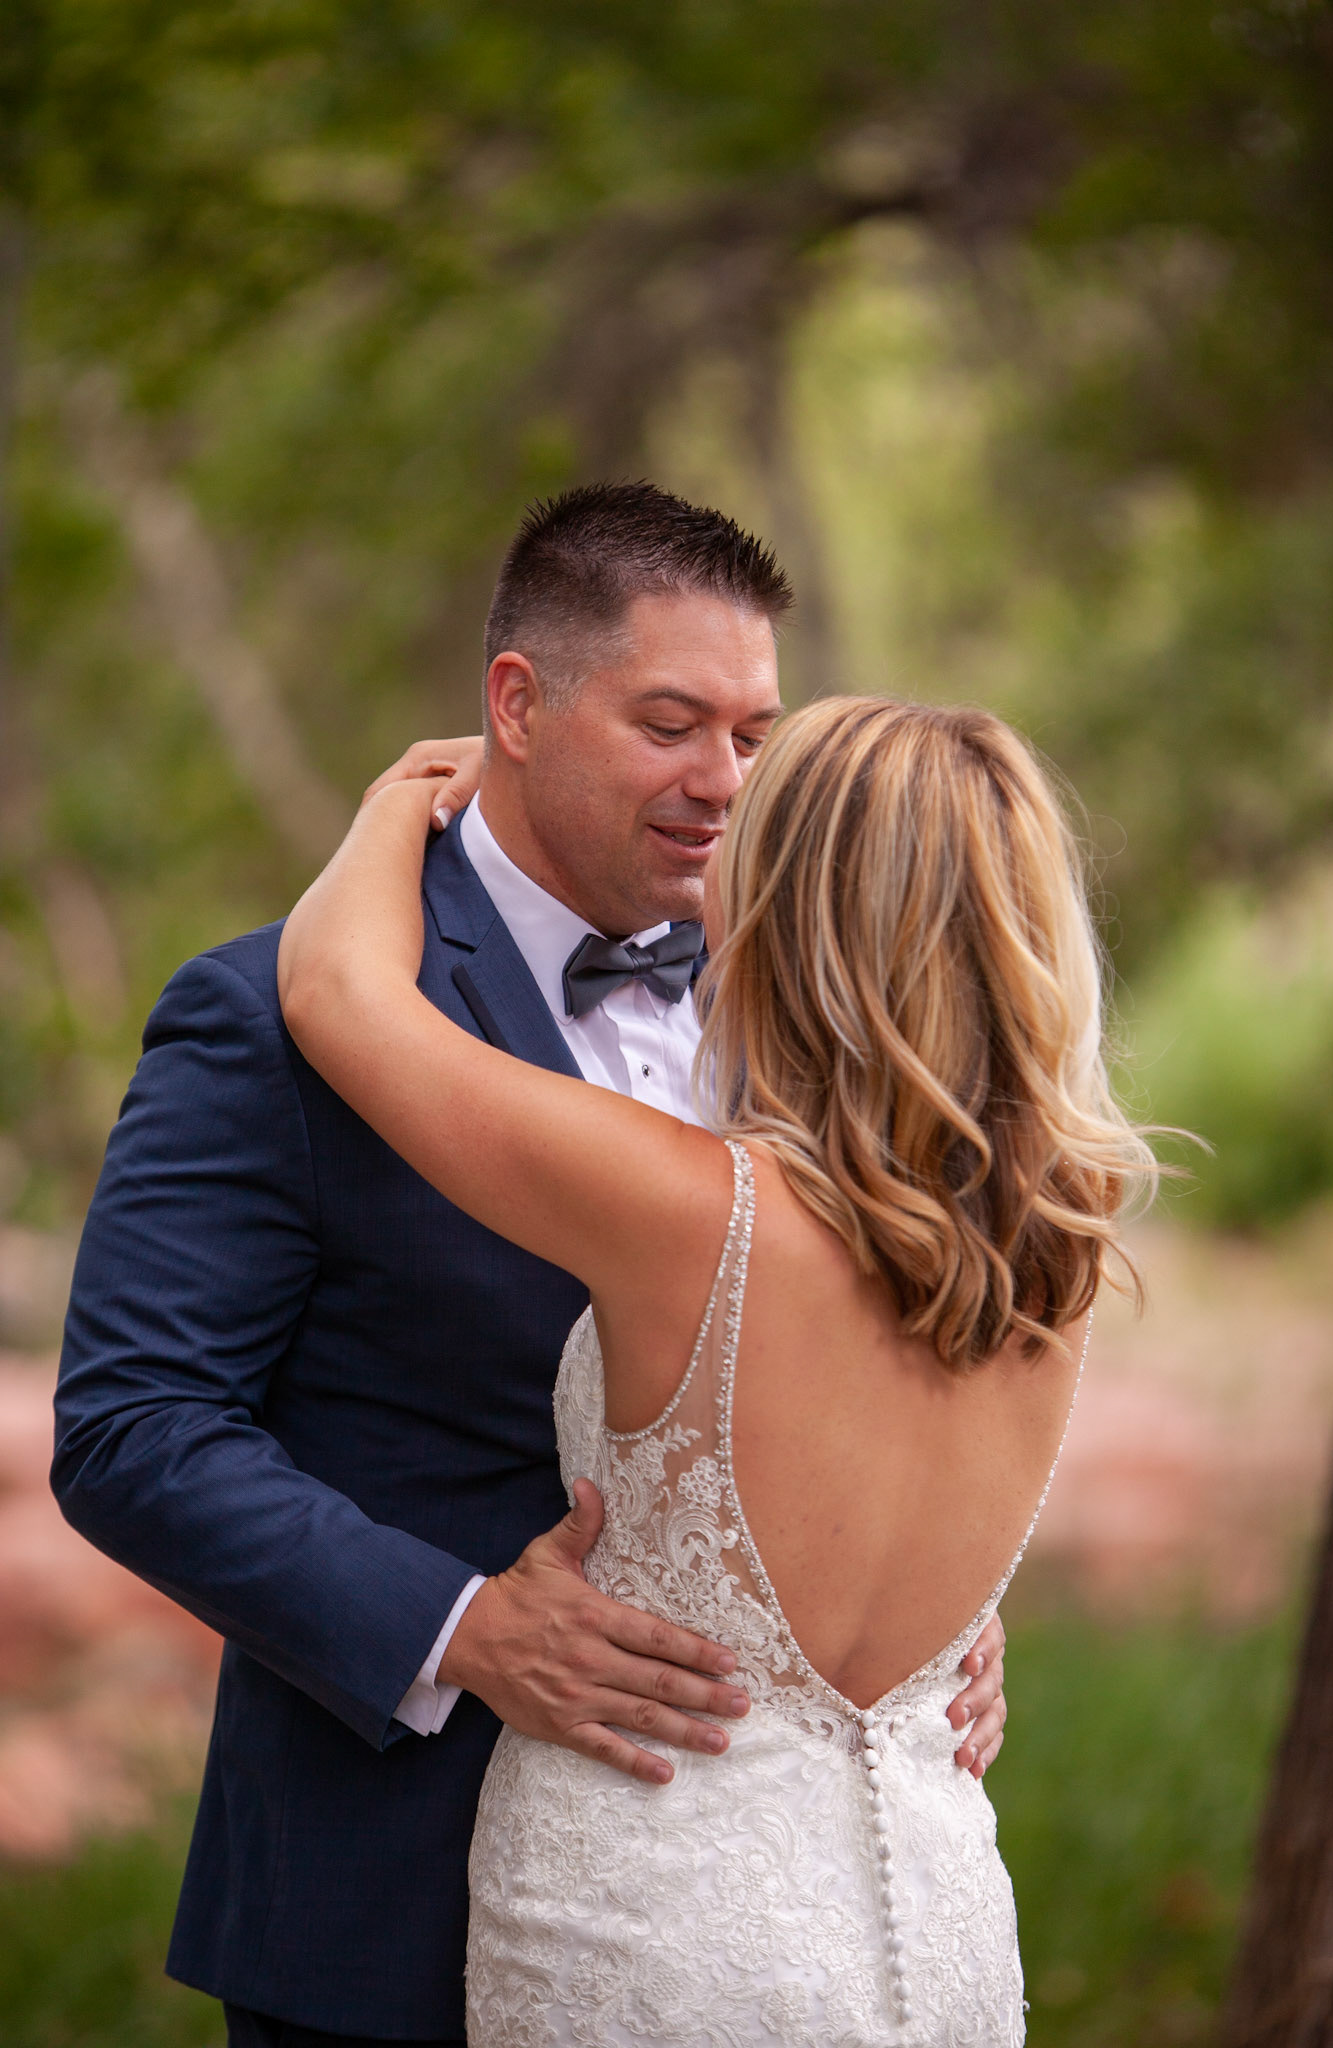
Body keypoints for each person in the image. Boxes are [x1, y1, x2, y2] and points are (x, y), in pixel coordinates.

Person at [51, 483, 1007, 2048]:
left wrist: (919, 1608)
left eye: (753, 736)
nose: (722, 782)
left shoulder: (812, 1013)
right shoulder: (271, 1015)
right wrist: (462, 1629)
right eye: (669, 726)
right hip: (389, 1906)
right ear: (515, 705)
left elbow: (869, 1369)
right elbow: (133, 1431)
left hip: (769, 1917)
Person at [278, 690, 1159, 2046]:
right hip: (939, 1930)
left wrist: (404, 796)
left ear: (792, 911)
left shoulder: (692, 1212)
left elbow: (335, 993)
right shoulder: (1062, 1247)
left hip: (659, 1934)